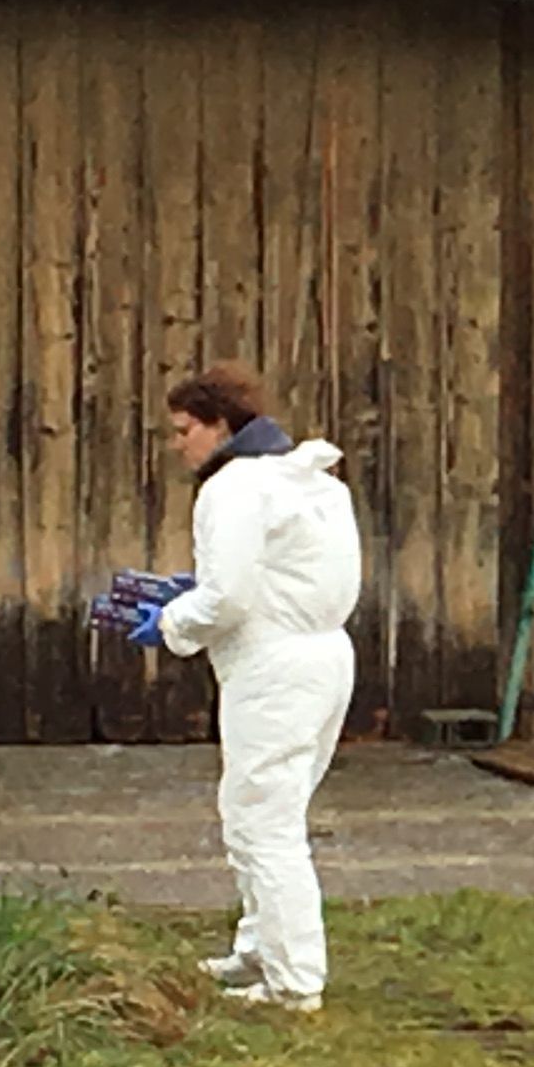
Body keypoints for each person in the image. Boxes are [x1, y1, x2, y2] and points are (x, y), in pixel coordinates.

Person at [134, 367, 360, 1011]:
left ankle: (294, 982)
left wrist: (174, 622)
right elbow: (280, 577)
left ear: (220, 426)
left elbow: (229, 599)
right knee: (260, 812)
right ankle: (260, 947)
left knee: (265, 823)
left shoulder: (232, 488)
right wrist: (198, 594)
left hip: (273, 667)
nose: (179, 445)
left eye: (185, 431)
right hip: (323, 655)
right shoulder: (311, 482)